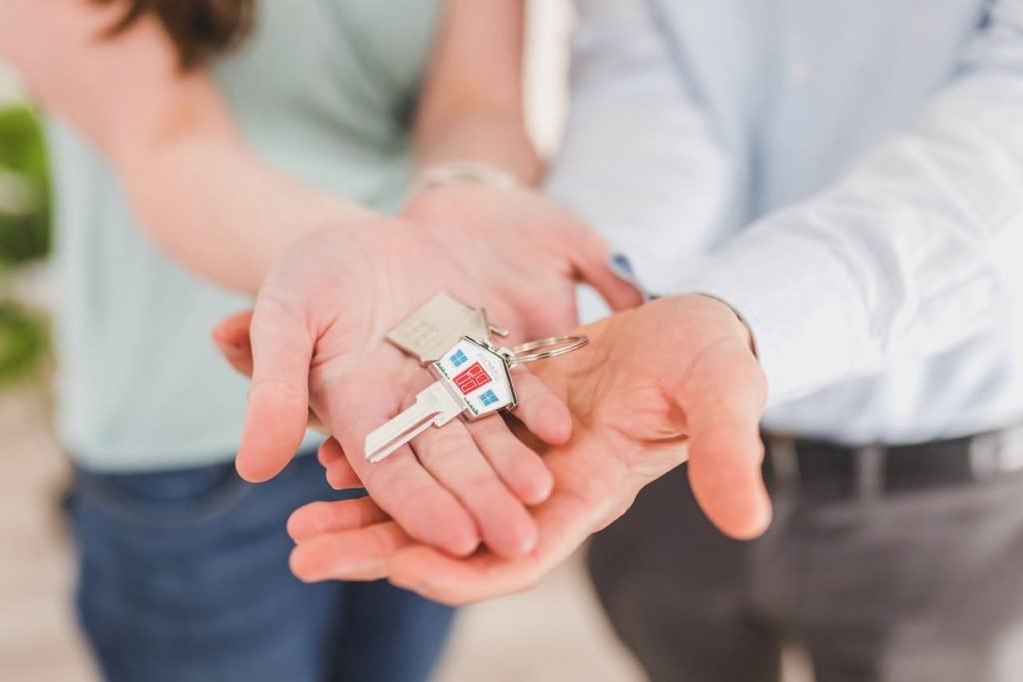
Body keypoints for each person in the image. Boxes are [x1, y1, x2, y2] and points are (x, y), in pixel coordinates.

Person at [249, 1, 1023, 681]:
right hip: (643, 444)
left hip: (944, 481)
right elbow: (647, 82)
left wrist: (743, 314)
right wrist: (586, 273)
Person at [0, 1, 639, 680]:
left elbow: (477, 103)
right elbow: (167, 140)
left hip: (414, 386)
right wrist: (349, 254)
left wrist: (465, 191)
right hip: (191, 438)